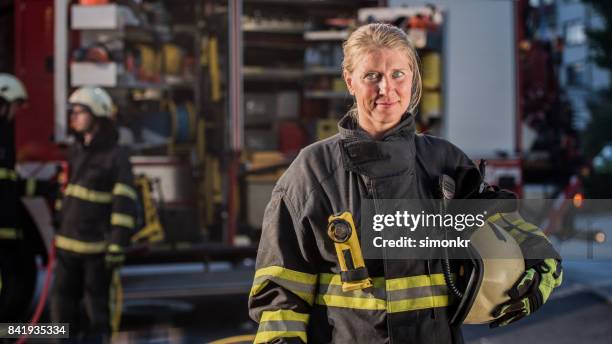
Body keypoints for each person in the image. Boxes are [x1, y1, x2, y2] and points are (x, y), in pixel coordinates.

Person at [248, 23, 562, 343]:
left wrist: (541, 259)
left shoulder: (446, 163)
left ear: (412, 78)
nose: (387, 88)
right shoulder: (312, 172)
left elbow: (503, 224)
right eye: (373, 76)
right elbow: (280, 294)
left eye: (398, 74)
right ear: (350, 81)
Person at [51, 86, 136, 343]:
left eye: (80, 112)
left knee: (96, 317)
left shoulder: (116, 156)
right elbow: (67, 196)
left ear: (97, 115)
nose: (73, 117)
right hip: (67, 250)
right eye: (72, 112)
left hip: (97, 254)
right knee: (60, 316)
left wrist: (117, 244)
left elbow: (124, 205)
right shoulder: (76, 151)